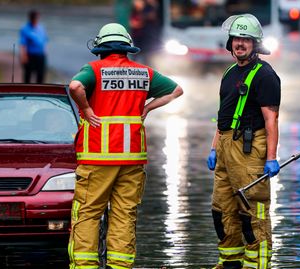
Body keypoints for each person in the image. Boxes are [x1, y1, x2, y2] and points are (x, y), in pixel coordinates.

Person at [68, 23, 183, 269]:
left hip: (97, 157)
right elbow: (176, 90)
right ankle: (119, 265)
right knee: (124, 214)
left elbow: (75, 87)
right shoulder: (144, 73)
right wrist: (148, 107)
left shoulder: (94, 70)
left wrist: (87, 109)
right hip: (132, 158)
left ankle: (85, 266)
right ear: (127, 48)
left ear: (100, 48)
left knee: (88, 213)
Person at [206, 14, 281, 269]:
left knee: (253, 214)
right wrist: (214, 148)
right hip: (226, 148)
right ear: (230, 43)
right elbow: (223, 116)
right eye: (236, 38)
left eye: (245, 39)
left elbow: (271, 120)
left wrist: (271, 158)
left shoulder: (265, 75)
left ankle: (257, 265)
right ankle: (230, 263)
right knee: (222, 210)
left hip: (249, 151)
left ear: (255, 44)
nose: (240, 43)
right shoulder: (228, 73)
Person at [19, 10, 48, 84]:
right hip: (30, 55)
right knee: (28, 75)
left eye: (37, 17)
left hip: (40, 55)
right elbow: (23, 44)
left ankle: (40, 91)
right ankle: (26, 91)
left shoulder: (41, 28)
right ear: (31, 18)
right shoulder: (25, 29)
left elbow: (44, 41)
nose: (36, 19)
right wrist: (23, 56)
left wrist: (45, 52)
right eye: (35, 17)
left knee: (40, 75)